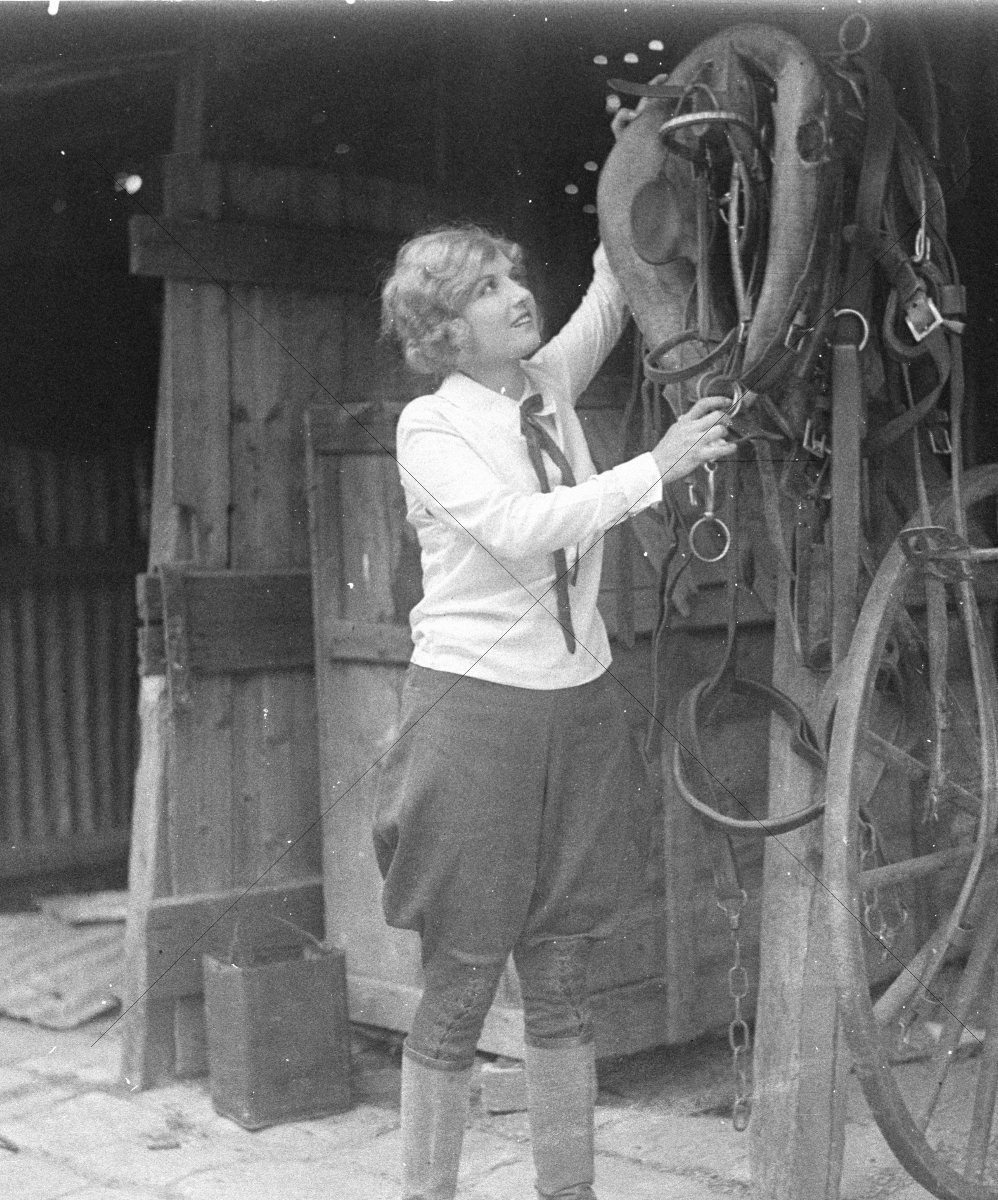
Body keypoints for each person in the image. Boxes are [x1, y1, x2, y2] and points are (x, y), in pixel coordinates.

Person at [375, 211, 734, 1200]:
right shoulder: (432, 425)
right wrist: (656, 468)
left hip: (577, 711)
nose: (515, 295)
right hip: (474, 715)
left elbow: (612, 298)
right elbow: (517, 529)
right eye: (487, 288)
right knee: (460, 981)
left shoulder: (547, 384)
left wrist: (635, 194)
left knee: (564, 976)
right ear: (445, 331)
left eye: (513, 276)